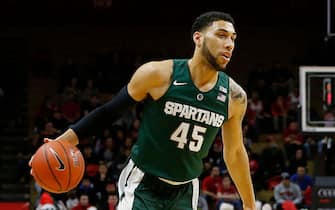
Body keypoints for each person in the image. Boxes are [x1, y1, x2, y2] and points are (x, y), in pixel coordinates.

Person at [30, 11, 256, 210]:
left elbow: (234, 152)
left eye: (233, 39)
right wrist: (61, 142)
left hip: (186, 190)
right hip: (143, 183)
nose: (230, 44)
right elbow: (109, 112)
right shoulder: (158, 75)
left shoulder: (234, 97)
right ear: (198, 38)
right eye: (222, 35)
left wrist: (249, 204)